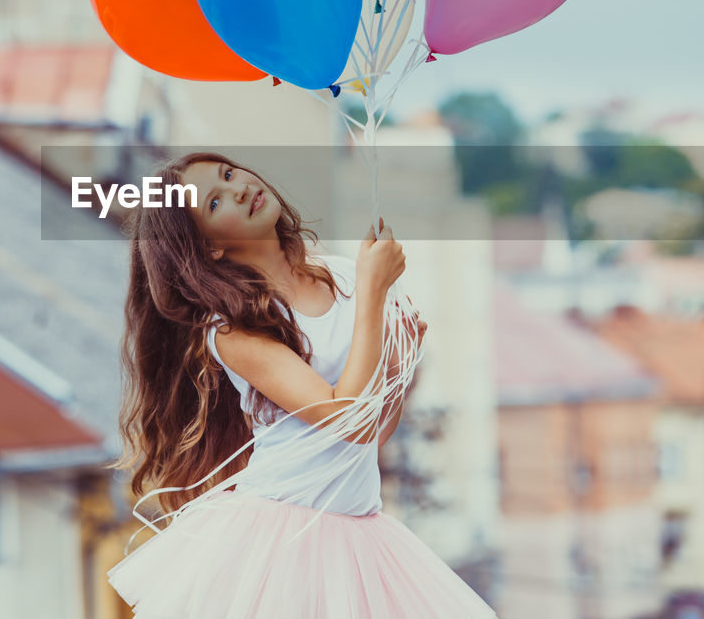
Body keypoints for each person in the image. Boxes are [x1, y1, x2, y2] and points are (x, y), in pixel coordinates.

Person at [109, 152, 497, 618]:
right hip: (282, 537)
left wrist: (398, 363)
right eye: (214, 203)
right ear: (209, 247)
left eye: (229, 174)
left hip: (360, 528)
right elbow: (343, 419)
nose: (237, 188)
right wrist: (373, 294)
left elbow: (369, 435)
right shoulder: (231, 330)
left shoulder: (344, 274)